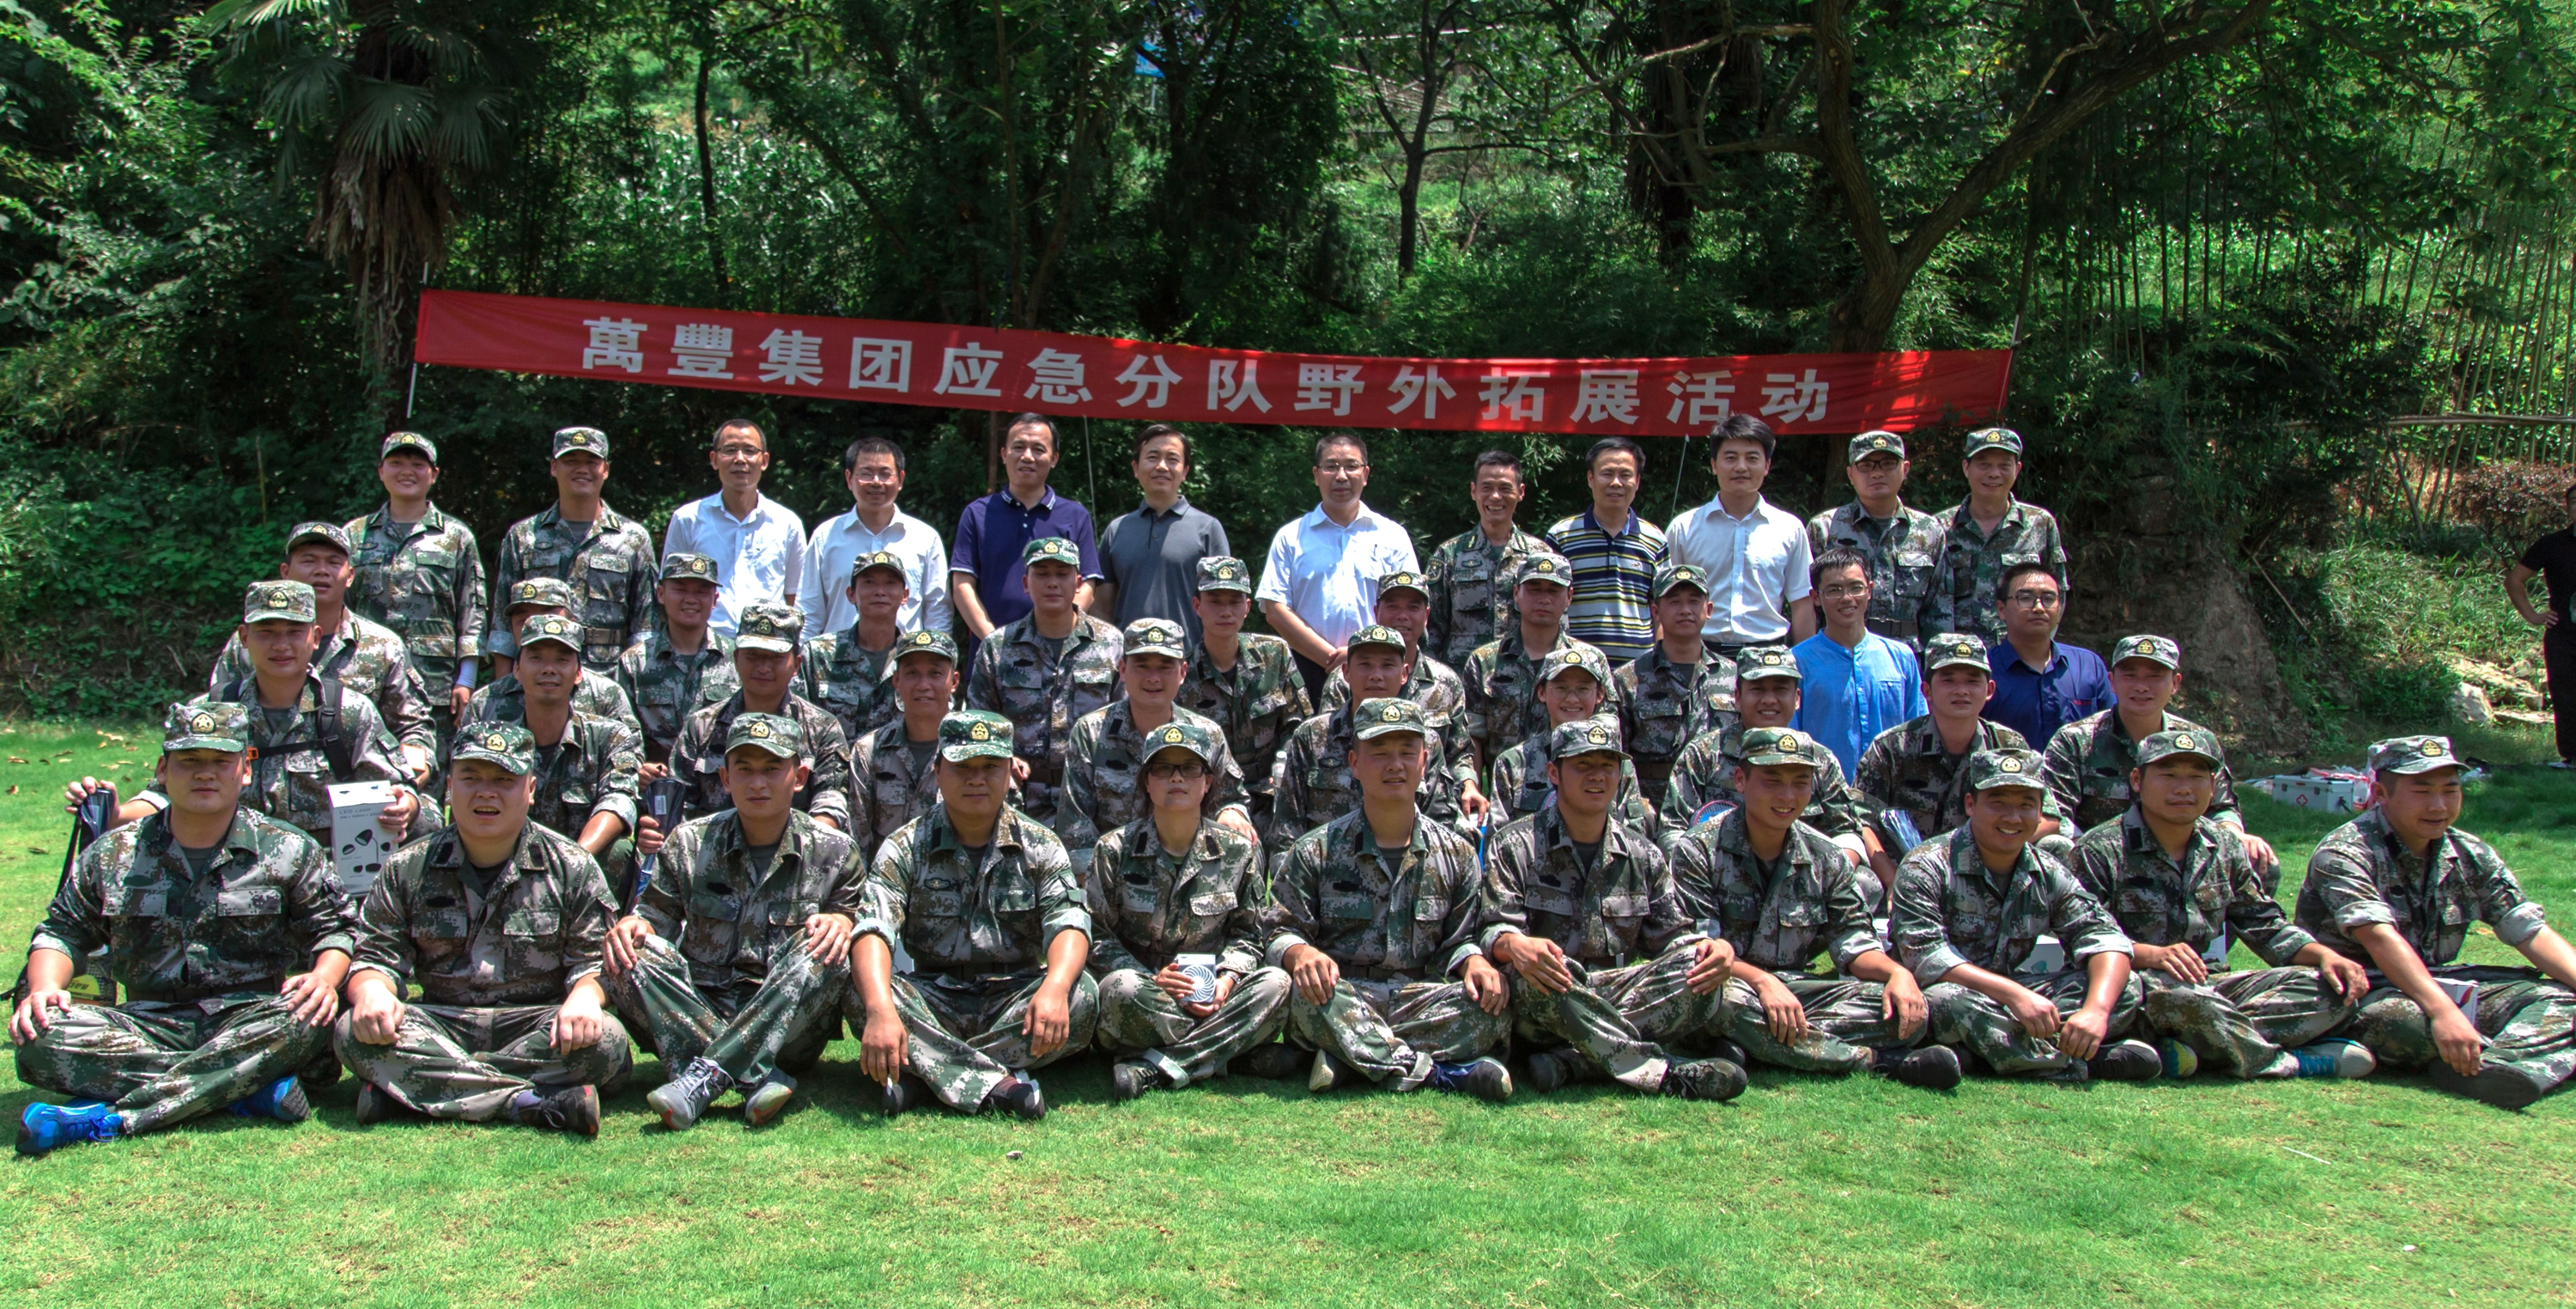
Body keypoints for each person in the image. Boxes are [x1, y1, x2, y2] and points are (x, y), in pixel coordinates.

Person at [15, 703, 353, 1158]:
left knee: (307, 1017)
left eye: (220, 761)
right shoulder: (116, 853)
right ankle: (246, 1089)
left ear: (245, 770)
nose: (204, 774)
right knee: (42, 1036)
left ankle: (110, 1119)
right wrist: (42, 989)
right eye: (189, 761)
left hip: (254, 1018)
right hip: (145, 1023)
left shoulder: (288, 848)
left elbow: (336, 930)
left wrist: (324, 978)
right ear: (162, 770)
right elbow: (62, 931)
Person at [334, 723, 628, 1134]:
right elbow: (376, 955)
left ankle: (413, 1089)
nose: (486, 792)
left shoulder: (572, 866)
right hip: (441, 1022)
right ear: (450, 787)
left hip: (534, 1024)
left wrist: (584, 998)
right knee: (353, 1030)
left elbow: (594, 962)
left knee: (607, 1040)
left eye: (504, 780)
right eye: (471, 778)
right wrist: (371, 992)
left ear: (530, 788)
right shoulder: (407, 867)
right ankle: (527, 1102)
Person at [2066, 730, 2374, 1081]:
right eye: (2168, 775)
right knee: (2185, 1000)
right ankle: (2289, 1062)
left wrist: (2324, 956)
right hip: (2133, 990)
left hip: (2204, 984)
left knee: (2327, 988)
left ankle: (2193, 1046)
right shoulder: (2100, 849)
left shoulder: (2223, 845)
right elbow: (2079, 938)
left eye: (2197, 777)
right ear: (2137, 780)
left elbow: (2263, 923)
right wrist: (2150, 954)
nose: (2183, 789)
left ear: (2213, 786)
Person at [609, 713, 865, 1130]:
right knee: (633, 951)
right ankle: (753, 1077)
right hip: (701, 1005)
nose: (757, 783)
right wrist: (636, 927)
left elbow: (853, 925)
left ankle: (703, 1074)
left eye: (771, 769)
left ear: (799, 777)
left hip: (789, 1030)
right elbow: (654, 918)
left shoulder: (836, 853)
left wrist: (842, 921)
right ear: (725, 779)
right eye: (744, 771)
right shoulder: (690, 843)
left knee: (827, 945)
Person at [2293, 735, 2576, 1108]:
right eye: (2422, 792)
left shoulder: (2469, 853)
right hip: (2353, 994)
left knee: (2565, 999)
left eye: (2450, 790)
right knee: (2406, 1023)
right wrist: (2443, 1012)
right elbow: (2379, 938)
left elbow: (2527, 930)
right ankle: (2506, 1055)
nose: (2438, 805)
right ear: (2381, 793)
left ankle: (2494, 1066)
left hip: (2435, 985)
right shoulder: (2345, 852)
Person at [1667, 728, 1959, 1087]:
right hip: (1732, 984)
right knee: (1716, 1002)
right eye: (1771, 780)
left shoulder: (1827, 855)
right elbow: (1701, 950)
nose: (1787, 795)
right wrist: (1763, 981)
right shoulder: (1697, 850)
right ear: (1740, 779)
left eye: (1801, 783)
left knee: (1903, 1006)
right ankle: (1877, 1063)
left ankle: (1752, 1044)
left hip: (1801, 993)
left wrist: (1897, 974)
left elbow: (1855, 942)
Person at [1261, 698, 1515, 1099]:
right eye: (1379, 753)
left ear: (1425, 762)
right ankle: (1439, 1075)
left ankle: (1350, 1057)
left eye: (1406, 753)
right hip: (1341, 993)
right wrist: (1299, 954)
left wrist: (1475, 961)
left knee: (1490, 1005)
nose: (1394, 764)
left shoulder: (1457, 854)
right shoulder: (1316, 850)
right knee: (1295, 995)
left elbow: (1461, 939)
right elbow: (1278, 932)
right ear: (1355, 764)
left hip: (1422, 998)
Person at [1479, 719, 1744, 1100]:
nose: (1597, 776)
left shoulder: (1644, 855)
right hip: (1547, 997)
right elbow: (1492, 929)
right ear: (1554, 773)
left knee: (1700, 975)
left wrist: (1710, 950)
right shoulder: (1515, 845)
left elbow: (1673, 937)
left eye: (1608, 766)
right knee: (1534, 977)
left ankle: (1575, 1061)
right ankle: (1663, 1074)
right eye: (1583, 765)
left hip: (1616, 993)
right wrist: (1514, 945)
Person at [850, 710, 1096, 1121]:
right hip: (934, 997)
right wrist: (880, 1010)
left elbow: (1069, 922)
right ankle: (1002, 1086)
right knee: (862, 992)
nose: (976, 778)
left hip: (1013, 997)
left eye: (989, 767)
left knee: (1082, 994)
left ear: (1009, 773)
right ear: (938, 771)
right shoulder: (904, 845)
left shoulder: (1042, 845)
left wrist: (1054, 987)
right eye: (962, 767)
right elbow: (873, 928)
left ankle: (924, 1073)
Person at [76, 581, 420, 844]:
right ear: (244, 637)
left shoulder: (349, 714)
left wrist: (407, 806)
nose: (281, 645)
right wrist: (114, 813)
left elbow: (401, 795)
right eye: (266, 633)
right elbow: (164, 797)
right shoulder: (207, 714)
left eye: (293, 632)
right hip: (229, 883)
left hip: (326, 886)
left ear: (315, 637)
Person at [1888, 748, 2158, 1081]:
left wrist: (2095, 1013)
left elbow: (2103, 937)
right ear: (1971, 804)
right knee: (1947, 1001)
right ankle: (2083, 1061)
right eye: (1998, 803)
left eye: (2026, 805)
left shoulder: (2047, 871)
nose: (2013, 817)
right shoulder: (1926, 865)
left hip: (2012, 994)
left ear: (2040, 812)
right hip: (1949, 990)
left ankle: (1981, 1055)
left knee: (2124, 984)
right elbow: (1928, 959)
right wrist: (2014, 996)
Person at [1084, 719, 1294, 1100]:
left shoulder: (1238, 852)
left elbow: (1249, 937)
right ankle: (1230, 1050)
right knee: (1119, 989)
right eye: (1163, 769)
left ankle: (1155, 1067)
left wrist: (1228, 980)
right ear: (1147, 782)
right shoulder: (1113, 850)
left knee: (1275, 986)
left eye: (1190, 768)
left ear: (1208, 782)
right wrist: (1152, 977)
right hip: (1147, 992)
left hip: (1214, 993)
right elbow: (1097, 937)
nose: (1176, 778)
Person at [209, 521, 434, 782]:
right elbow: (217, 714)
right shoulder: (247, 646)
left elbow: (412, 726)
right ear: (285, 571)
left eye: (333, 562)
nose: (321, 571)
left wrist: (408, 779)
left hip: (353, 788)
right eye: (309, 561)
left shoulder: (383, 646)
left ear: (350, 575)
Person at [2042, 634, 2275, 877]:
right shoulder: (2075, 741)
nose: (2141, 686)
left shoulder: (2199, 740)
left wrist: (2235, 834)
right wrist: (2096, 851)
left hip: (2179, 854)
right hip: (2099, 860)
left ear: (2175, 683)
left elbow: (2222, 806)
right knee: (2054, 847)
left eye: (2155, 677)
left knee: (2258, 858)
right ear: (2111, 681)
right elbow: (2057, 814)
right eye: (2130, 675)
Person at [1854, 633, 2054, 888]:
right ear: (1927, 690)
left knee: (2054, 847)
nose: (1962, 691)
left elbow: (2048, 817)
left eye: (1972, 681)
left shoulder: (2008, 747)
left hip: (1986, 871)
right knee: (1861, 879)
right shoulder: (1893, 747)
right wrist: (1896, 882)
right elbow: (1861, 822)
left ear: (1990, 690)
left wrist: (1996, 844)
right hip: (1905, 871)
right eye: (1948, 681)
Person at [1061, 618, 1255, 879]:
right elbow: (1076, 824)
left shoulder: (1206, 734)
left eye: (1165, 667)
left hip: (1192, 874)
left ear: (1183, 672)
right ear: (1122, 669)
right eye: (1142, 666)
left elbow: (1232, 797)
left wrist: (1231, 812)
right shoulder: (1090, 733)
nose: (1153, 678)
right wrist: (1096, 887)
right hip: (1114, 876)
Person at [1654, 648, 1872, 874]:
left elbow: (1848, 832)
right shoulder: (1704, 755)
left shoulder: (1820, 760)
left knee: (1866, 881)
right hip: (1718, 877)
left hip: (1801, 880)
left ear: (1797, 698)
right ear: (1737, 697)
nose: (1769, 700)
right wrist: (1698, 870)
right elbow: (1672, 830)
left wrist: (1825, 876)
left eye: (1780, 690)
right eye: (1757, 690)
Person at [964, 536, 1124, 833]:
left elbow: (1127, 721)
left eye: (1062, 574)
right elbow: (979, 721)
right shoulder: (997, 648)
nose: (1053, 583)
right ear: (1026, 583)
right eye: (1042, 574)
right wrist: (1001, 755)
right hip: (1018, 800)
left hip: (1094, 798)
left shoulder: (1112, 644)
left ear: (1078, 583)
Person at [1267, 625, 1468, 855]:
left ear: (1404, 674)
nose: (1376, 675)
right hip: (1326, 876)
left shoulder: (1425, 741)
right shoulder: (1313, 736)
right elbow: (1287, 828)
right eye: (1365, 664)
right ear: (1346, 672)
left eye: (1387, 665)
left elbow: (1442, 822)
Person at [344, 430, 486, 746]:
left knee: (428, 776)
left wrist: (466, 680)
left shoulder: (456, 537)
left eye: (417, 464)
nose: (406, 470)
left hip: (434, 685)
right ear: (381, 471)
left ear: (433, 475)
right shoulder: (355, 535)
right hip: (364, 679)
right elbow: (339, 608)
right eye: (396, 462)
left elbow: (472, 611)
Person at [1256, 430, 1420, 701]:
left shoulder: (1392, 536)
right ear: (1316, 474)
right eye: (1331, 466)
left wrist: (1359, 657)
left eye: (1351, 466)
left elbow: (1410, 607)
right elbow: (1275, 609)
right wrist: (1331, 658)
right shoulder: (1291, 537)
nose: (1341, 476)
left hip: (1377, 671)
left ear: (1365, 474)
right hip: (1307, 668)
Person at [488, 426, 660, 673]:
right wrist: (504, 687)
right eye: (570, 461)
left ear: (606, 470)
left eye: (592, 461)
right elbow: (503, 626)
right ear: (553, 468)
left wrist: (637, 688)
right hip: (538, 677)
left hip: (609, 677)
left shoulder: (632, 539)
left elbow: (644, 628)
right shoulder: (523, 536)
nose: (582, 469)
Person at [1317, 569, 1485, 822]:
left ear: (1427, 615)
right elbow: (1326, 744)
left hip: (1425, 803)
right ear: (1376, 612)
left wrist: (1468, 784)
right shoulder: (1345, 682)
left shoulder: (1446, 683)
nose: (1402, 616)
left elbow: (1459, 753)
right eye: (1392, 606)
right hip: (1348, 802)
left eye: (1413, 607)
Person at [667, 603, 853, 831]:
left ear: (796, 665)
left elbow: (830, 802)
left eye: (775, 657)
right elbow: (678, 805)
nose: (763, 667)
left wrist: (810, 848)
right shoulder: (701, 726)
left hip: (796, 855)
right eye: (753, 655)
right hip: (709, 856)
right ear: (736, 658)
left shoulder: (822, 729)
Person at [491, 615, 642, 886]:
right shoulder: (496, 742)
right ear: (516, 669)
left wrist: (575, 860)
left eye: (562, 660)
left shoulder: (610, 736)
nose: (549, 669)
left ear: (579, 674)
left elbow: (620, 801)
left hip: (581, 868)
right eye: (536, 658)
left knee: (619, 852)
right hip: (507, 863)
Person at [1181, 556, 1312, 838]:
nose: (1225, 611)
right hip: (1212, 800)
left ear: (1247, 607)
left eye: (1234, 601)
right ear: (1197, 606)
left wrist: (1283, 767)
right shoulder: (1183, 674)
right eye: (1215, 601)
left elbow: (1299, 726)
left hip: (1275, 791)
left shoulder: (1274, 655)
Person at [1664, 415, 1815, 655]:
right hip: (1699, 654)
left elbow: (1802, 603)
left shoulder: (1790, 529)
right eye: (1731, 458)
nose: (1741, 467)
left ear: (1767, 466)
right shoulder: (1684, 528)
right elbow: (1667, 599)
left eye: (1752, 458)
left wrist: (1806, 663)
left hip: (1769, 655)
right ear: (1714, 465)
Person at [951, 414, 1103, 648]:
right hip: (992, 658)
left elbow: (1087, 588)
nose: (1027, 456)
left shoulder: (1075, 516)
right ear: (1004, 454)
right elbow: (962, 585)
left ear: (1054, 459)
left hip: (1058, 653)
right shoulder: (977, 514)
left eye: (1038, 449)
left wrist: (1054, 635)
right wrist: (996, 642)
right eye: (1018, 447)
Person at [1461, 552, 1619, 767]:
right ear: (1516, 593)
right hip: (1504, 785)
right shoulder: (1484, 661)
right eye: (1534, 590)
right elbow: (1472, 735)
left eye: (1554, 591)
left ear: (1569, 597)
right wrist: (1473, 786)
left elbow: (1607, 728)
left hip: (1571, 784)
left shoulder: (1592, 660)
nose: (1544, 599)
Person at [1485, 648, 1653, 839]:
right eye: (1561, 688)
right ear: (1541, 692)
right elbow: (1498, 843)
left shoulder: (1618, 764)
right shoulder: (1513, 763)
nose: (1572, 699)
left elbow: (1633, 840)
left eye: (1583, 689)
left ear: (1599, 695)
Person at [660, 418, 805, 637]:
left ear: (764, 460)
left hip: (767, 646)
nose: (740, 459)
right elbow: (670, 591)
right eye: (729, 450)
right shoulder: (688, 519)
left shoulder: (787, 524)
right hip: (705, 647)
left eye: (749, 451)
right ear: (714, 459)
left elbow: (796, 596)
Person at [1792, 547, 1926, 776]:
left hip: (1890, 793)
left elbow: (1918, 731)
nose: (1847, 598)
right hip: (1825, 795)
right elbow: (1792, 741)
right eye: (1834, 590)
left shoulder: (1901, 658)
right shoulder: (1796, 662)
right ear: (1815, 597)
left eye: (1856, 588)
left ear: (1870, 590)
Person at [1929, 427, 2069, 647]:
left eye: (2004, 465)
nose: (1994, 474)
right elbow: (1929, 600)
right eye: (1984, 465)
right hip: (1957, 655)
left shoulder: (2040, 524)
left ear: (2017, 469)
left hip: (2017, 652)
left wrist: (2039, 646)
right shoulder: (1938, 527)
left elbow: (2057, 592)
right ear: (1966, 468)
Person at [1805, 430, 1944, 651]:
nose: (1877, 473)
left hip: (1907, 653)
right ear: (1850, 474)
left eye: (1887, 464)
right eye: (1866, 466)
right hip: (1839, 651)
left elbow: (1939, 609)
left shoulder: (1929, 531)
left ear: (1905, 469)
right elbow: (1808, 605)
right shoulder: (1824, 528)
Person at [1094, 423, 1230, 644]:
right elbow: (1102, 608)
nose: (1162, 466)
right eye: (1152, 457)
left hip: (1189, 663)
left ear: (1185, 471)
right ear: (1136, 468)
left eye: (1172, 459)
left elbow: (1223, 605)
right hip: (1129, 664)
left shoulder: (1208, 529)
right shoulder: (1117, 530)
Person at [804, 435, 951, 641]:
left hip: (905, 663)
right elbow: (809, 611)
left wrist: (937, 658)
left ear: (900, 479)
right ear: (849, 479)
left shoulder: (925, 538)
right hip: (836, 665)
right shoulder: (825, 536)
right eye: (866, 473)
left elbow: (938, 611)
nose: (876, 482)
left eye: (885, 474)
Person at [1614, 563, 1736, 805]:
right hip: (1653, 810)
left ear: (1709, 609)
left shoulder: (1734, 677)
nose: (1685, 610)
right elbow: (1618, 758)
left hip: (1720, 810)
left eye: (1694, 601)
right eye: (1674, 602)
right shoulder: (1628, 680)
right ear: (1656, 611)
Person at [465, 577, 645, 737]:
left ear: (572, 624)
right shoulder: (485, 703)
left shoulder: (606, 695)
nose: (536, 626)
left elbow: (628, 759)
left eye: (546, 615)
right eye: (524, 621)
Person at [1546, 437, 1668, 664]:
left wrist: (1660, 662)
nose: (1616, 482)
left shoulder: (1655, 540)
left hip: (1639, 671)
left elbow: (1662, 610)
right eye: (1607, 473)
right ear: (1591, 478)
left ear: (1638, 481)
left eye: (1625, 475)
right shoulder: (1562, 536)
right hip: (1576, 669)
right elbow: (1548, 603)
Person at [612, 553, 738, 770]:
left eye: (701, 591)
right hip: (655, 789)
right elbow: (619, 733)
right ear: (661, 594)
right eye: (680, 589)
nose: (691, 599)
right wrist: (637, 768)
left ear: (715, 600)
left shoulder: (737, 659)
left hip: (719, 788)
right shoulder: (635, 663)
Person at [1423, 449, 1547, 668]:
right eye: (1487, 488)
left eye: (1505, 489)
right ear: (1473, 491)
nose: (1495, 497)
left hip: (1524, 681)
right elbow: (1431, 630)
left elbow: (1556, 625)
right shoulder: (1449, 555)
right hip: (1464, 682)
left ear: (1520, 492)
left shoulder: (1540, 555)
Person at [1980, 563, 2111, 752]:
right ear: (2001, 609)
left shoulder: (2088, 666)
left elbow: (2110, 730)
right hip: (2012, 778)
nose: (2039, 608)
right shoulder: (1984, 669)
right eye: (2025, 599)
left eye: (2049, 599)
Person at [800, 551, 909, 742]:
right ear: (851, 594)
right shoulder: (818, 655)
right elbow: (799, 724)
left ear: (904, 595)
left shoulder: (917, 658)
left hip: (898, 770)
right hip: (833, 769)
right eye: (869, 582)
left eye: (890, 583)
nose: (880, 591)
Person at [2505, 482, 2576, 767]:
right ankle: (2571, 758)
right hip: (2563, 633)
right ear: (2568, 507)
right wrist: (2532, 615)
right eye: (2574, 501)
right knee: (2565, 695)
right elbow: (2514, 581)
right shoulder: (2552, 544)